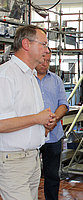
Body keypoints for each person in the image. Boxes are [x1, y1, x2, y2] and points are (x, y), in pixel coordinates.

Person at [0, 25, 55, 200]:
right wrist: (37, 118)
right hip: (13, 160)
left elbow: (27, 117)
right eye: (43, 44)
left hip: (32, 158)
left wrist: (44, 122)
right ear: (26, 44)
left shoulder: (30, 75)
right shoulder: (6, 76)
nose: (46, 50)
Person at [35, 49, 69, 200]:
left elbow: (63, 104)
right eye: (43, 60)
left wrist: (54, 119)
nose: (45, 64)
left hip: (54, 136)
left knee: (53, 176)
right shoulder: (27, 79)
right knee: (30, 176)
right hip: (32, 136)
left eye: (48, 61)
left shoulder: (56, 80)